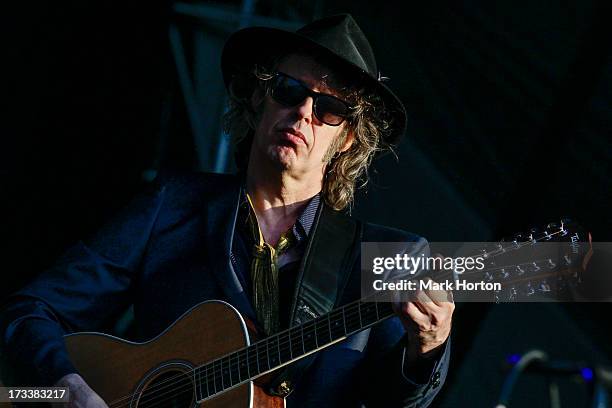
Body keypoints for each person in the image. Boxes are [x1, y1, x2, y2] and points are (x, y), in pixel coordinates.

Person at [0, 14, 454, 407]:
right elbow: (30, 310)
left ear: (349, 139)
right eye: (289, 90)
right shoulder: (172, 203)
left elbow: (390, 402)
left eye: (330, 109)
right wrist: (66, 387)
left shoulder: (393, 255)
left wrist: (427, 349)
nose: (302, 114)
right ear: (258, 99)